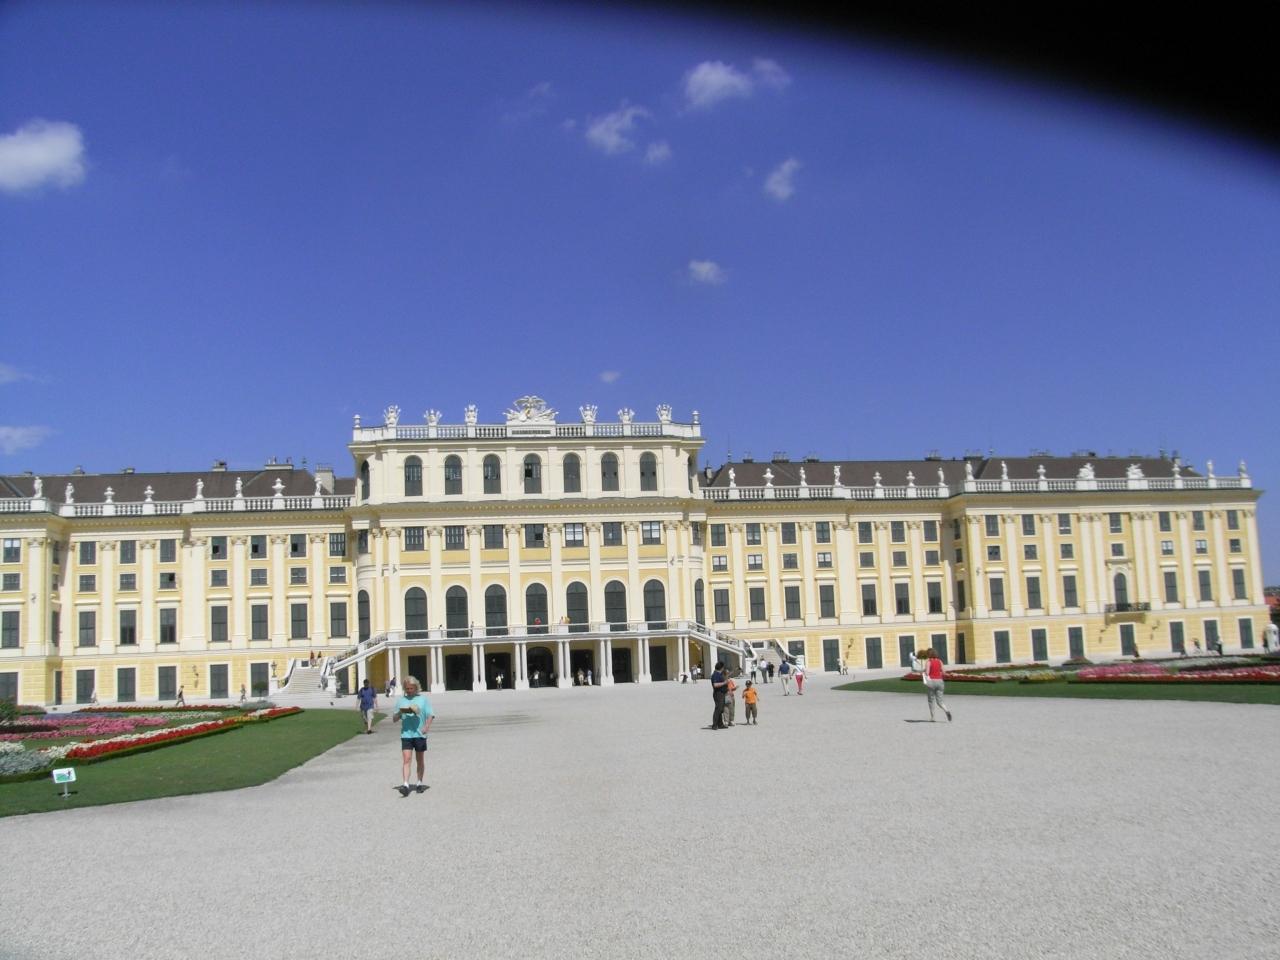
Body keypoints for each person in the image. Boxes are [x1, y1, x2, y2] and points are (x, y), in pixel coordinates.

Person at [395, 676, 433, 795]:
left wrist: (426, 726)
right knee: (406, 759)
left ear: (416, 688)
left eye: (411, 688)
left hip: (419, 734)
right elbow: (394, 719)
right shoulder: (401, 700)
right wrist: (400, 712)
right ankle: (406, 785)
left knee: (419, 759)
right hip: (406, 734)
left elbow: (430, 715)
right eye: (407, 688)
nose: (409, 691)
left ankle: (419, 783)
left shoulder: (423, 699)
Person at [909, 647, 952, 722]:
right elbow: (944, 672)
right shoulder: (939, 661)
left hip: (932, 682)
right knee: (940, 701)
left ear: (929, 654)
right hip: (940, 682)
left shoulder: (929, 662)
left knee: (931, 700)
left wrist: (922, 673)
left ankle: (933, 717)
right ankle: (946, 711)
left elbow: (927, 673)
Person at [709, 660, 728, 730]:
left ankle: (720, 724)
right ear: (721, 668)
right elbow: (715, 684)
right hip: (718, 694)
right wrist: (724, 683)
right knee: (718, 709)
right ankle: (714, 725)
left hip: (721, 693)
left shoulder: (719, 674)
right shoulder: (715, 675)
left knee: (721, 709)